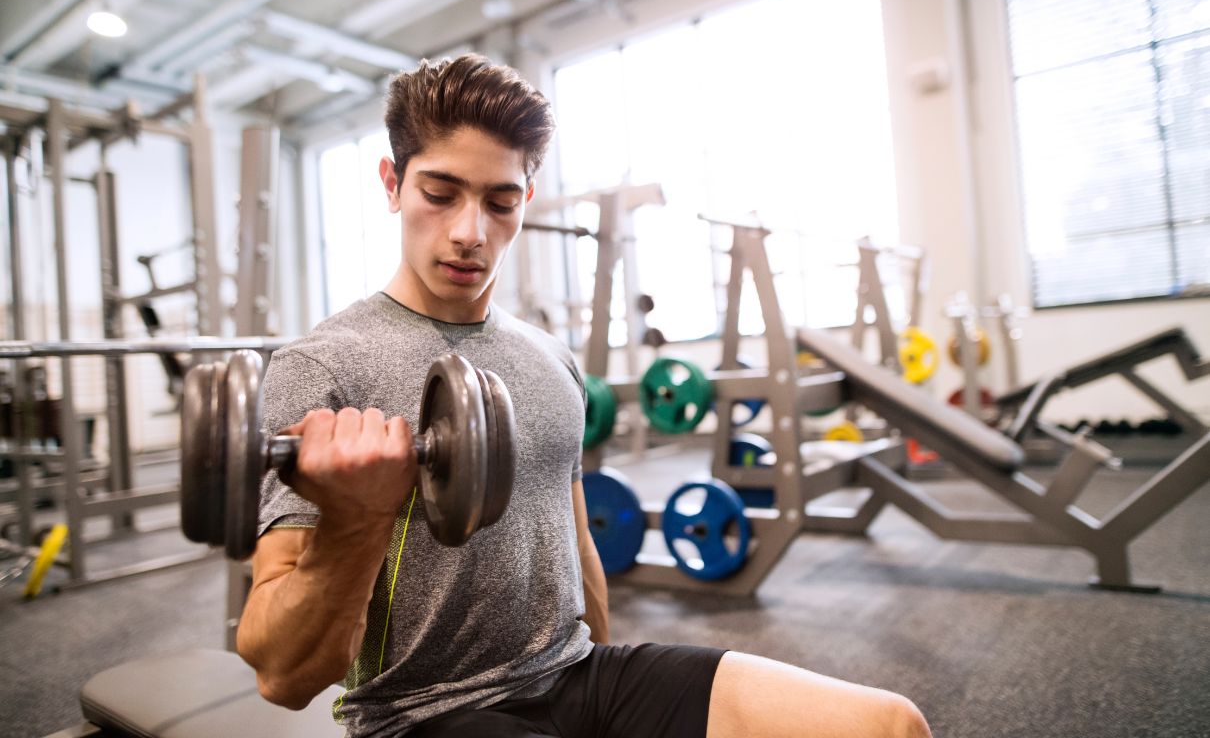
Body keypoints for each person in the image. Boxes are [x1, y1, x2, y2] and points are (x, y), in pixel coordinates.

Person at [236, 54, 931, 738]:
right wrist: (358, 520)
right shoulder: (321, 368)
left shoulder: (550, 359)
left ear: (524, 202)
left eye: (499, 201)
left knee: (889, 726)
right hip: (426, 714)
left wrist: (609, 678)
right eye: (440, 193)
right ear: (393, 183)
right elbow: (282, 676)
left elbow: (575, 545)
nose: (470, 232)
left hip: (578, 677)